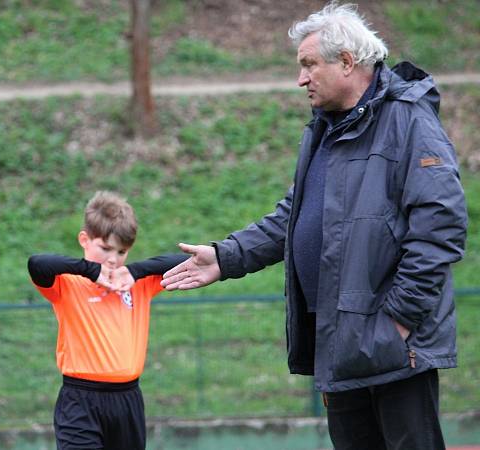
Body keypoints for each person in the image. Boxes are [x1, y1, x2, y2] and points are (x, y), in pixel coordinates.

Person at [161, 3, 467, 449]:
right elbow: (295, 214)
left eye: (309, 65)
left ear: (346, 62)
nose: (301, 79)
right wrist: (225, 257)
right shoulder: (325, 130)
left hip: (392, 345)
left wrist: (398, 319)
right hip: (341, 342)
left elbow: (441, 226)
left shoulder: (408, 119)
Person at [28, 191, 187, 450]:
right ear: (85, 239)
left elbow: (187, 262)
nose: (113, 259)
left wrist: (136, 271)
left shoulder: (138, 284)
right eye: (105, 248)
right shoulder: (67, 283)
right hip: (80, 401)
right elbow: (37, 263)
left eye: (122, 251)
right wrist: (90, 270)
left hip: (127, 401)